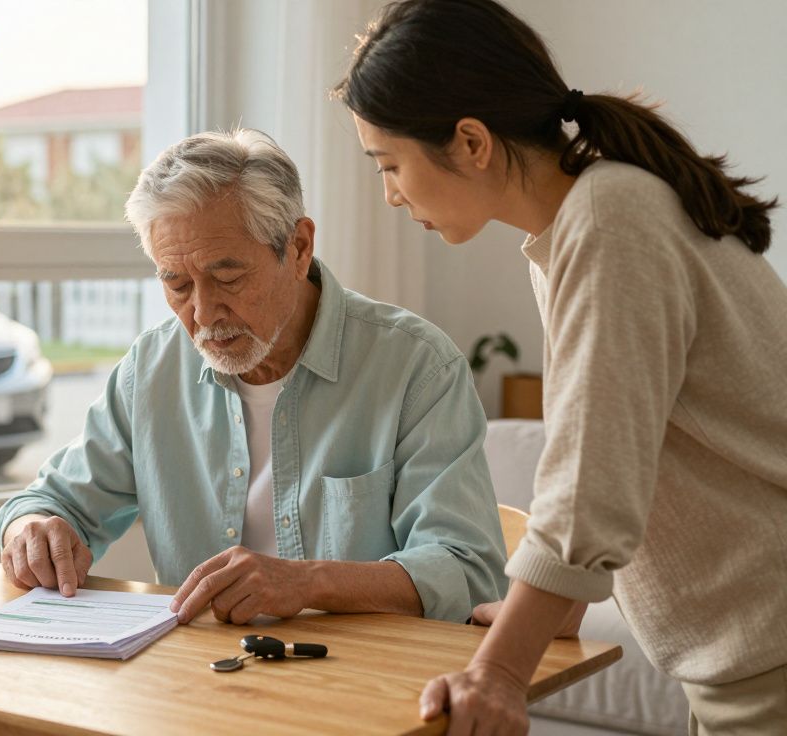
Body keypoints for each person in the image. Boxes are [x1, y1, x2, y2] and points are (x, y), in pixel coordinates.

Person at [336, 0, 787, 733]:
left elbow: (589, 484)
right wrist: (548, 610)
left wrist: (500, 670)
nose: (389, 193)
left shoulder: (611, 222)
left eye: (390, 164)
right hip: (747, 658)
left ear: (472, 141)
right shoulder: (581, 224)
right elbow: (617, 450)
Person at [0, 128, 508, 626]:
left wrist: (307, 583)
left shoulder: (416, 367)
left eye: (228, 277)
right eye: (176, 284)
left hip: (365, 687)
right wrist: (32, 528)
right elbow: (48, 501)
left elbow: (468, 570)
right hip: (199, 683)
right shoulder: (151, 370)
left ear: (299, 248)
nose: (203, 311)